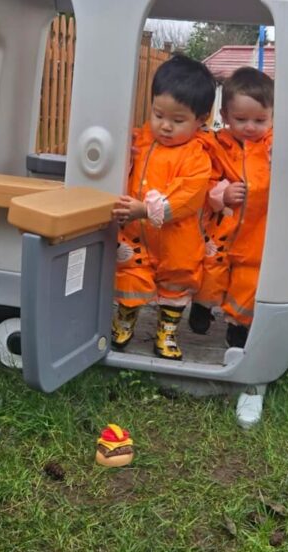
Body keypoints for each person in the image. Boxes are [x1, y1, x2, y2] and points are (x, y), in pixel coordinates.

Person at [111, 54, 215, 360]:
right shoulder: (140, 141)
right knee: (131, 276)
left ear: (201, 119)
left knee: (176, 285)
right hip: (135, 236)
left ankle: (167, 333)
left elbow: (188, 196)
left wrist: (145, 210)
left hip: (177, 239)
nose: (165, 126)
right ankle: (124, 320)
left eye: (178, 120)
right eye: (158, 114)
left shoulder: (197, 156)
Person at [188, 66, 274, 349]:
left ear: (272, 117)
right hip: (222, 228)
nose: (250, 127)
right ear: (224, 116)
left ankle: (238, 325)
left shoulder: (272, 147)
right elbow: (205, 180)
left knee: (247, 281)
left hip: (255, 232)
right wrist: (222, 194)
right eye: (241, 119)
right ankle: (203, 306)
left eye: (260, 120)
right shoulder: (216, 146)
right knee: (211, 271)